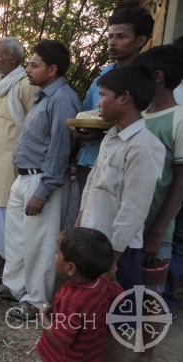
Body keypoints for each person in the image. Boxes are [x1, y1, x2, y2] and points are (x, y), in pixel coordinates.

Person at [0, 40, 81, 321]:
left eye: (33, 65)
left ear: (52, 69)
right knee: (16, 239)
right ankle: (15, 288)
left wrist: (43, 190)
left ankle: (36, 299)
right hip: (24, 178)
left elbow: (59, 151)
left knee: (40, 244)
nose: (27, 69)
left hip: (42, 180)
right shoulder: (44, 97)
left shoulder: (63, 99)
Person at [76, 64, 165, 291]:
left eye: (103, 95)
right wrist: (79, 223)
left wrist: (113, 260)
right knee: (90, 313)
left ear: (124, 98)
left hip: (118, 253)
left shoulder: (144, 147)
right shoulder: (111, 136)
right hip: (92, 243)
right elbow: (92, 183)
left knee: (118, 318)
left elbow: (134, 209)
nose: (98, 102)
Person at [72, 7, 154, 193]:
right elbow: (86, 115)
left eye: (121, 37)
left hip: (126, 166)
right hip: (91, 161)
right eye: (110, 37)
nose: (112, 43)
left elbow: (150, 124)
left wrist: (105, 133)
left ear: (140, 40)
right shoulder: (101, 78)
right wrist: (78, 131)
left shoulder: (149, 80)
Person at [0, 37, 38, 277]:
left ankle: (8, 266)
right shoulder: (2, 84)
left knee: (7, 216)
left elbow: (34, 126)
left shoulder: (25, 84)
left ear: (13, 57)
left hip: (11, 164)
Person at [133, 46, 183, 295]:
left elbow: (180, 181)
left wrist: (158, 231)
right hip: (128, 231)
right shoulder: (139, 116)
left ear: (158, 76)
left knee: (149, 305)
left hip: (155, 234)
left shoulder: (179, 119)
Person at [36, 227, 123, 362]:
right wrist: (113, 276)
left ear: (71, 268)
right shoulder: (102, 284)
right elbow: (120, 295)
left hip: (63, 358)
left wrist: (43, 317)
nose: (54, 256)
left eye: (57, 254)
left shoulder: (72, 299)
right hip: (90, 353)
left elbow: (61, 339)